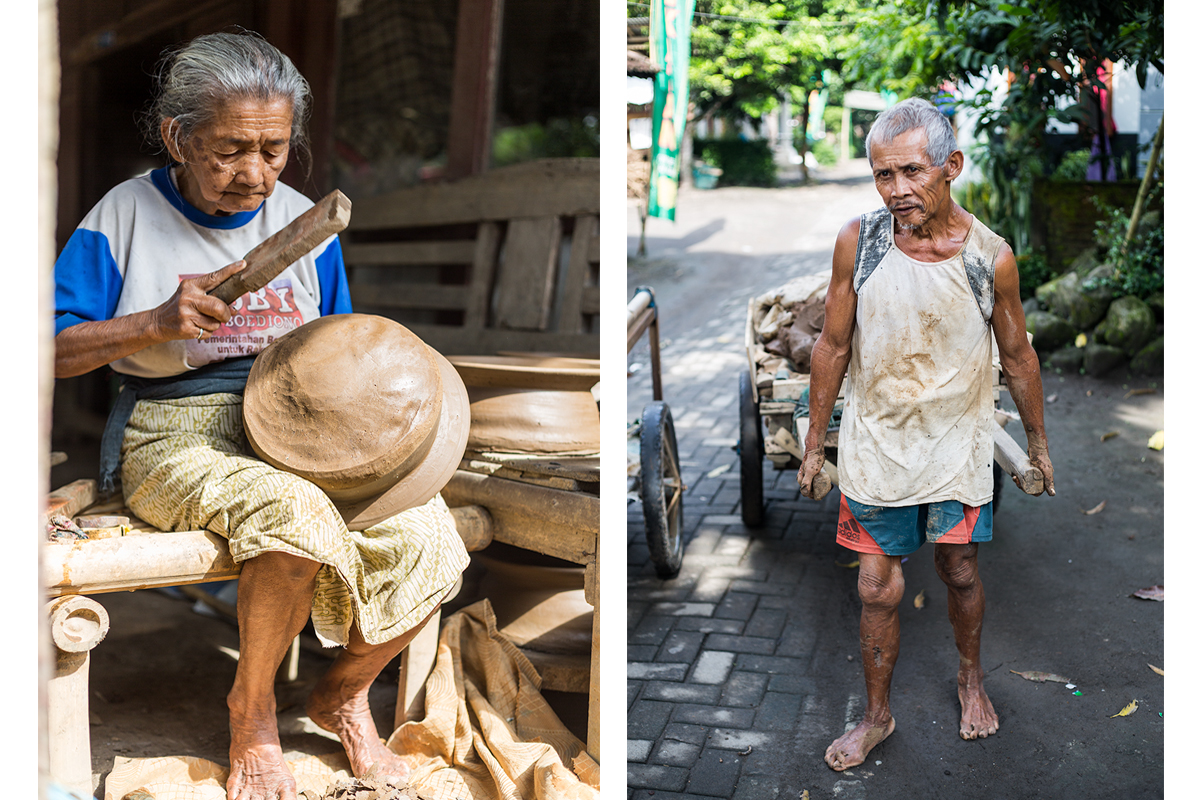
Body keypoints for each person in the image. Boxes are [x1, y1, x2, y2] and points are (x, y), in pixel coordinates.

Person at [53, 31, 468, 799]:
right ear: (179, 136)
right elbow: (44, 352)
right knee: (293, 511)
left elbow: (341, 352)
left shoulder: (305, 224)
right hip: (173, 428)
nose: (254, 174)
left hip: (305, 425)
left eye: (273, 150)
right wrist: (153, 323)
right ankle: (252, 715)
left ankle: (340, 694)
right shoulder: (125, 214)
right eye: (229, 149)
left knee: (430, 533)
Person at [797, 97, 1055, 772]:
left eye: (911, 171)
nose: (896, 190)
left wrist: (1038, 444)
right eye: (882, 175)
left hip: (957, 442)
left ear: (952, 166)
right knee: (876, 587)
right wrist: (812, 440)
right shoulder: (861, 241)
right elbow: (831, 343)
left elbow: (1019, 354)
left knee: (959, 568)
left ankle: (971, 680)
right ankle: (876, 716)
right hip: (877, 441)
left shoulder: (990, 257)